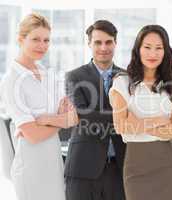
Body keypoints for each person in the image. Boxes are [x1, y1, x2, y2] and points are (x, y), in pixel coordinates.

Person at [0, 13, 78, 200]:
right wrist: (61, 121)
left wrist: (47, 120)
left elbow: (73, 116)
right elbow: (33, 136)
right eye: (35, 39)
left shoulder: (46, 73)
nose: (42, 45)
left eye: (46, 40)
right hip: (30, 169)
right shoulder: (12, 80)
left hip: (54, 163)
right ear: (21, 39)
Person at [109, 24, 172, 200]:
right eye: (147, 47)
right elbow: (121, 126)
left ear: (165, 51)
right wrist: (161, 120)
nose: (153, 53)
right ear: (138, 49)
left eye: (159, 48)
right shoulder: (122, 83)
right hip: (136, 165)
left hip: (166, 165)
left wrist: (138, 125)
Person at [64, 20, 126, 200]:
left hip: (119, 168)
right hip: (83, 168)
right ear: (89, 44)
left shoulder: (128, 77)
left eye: (108, 42)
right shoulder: (74, 76)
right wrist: (123, 117)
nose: (103, 47)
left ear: (116, 43)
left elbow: (136, 113)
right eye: (98, 42)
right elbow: (83, 116)